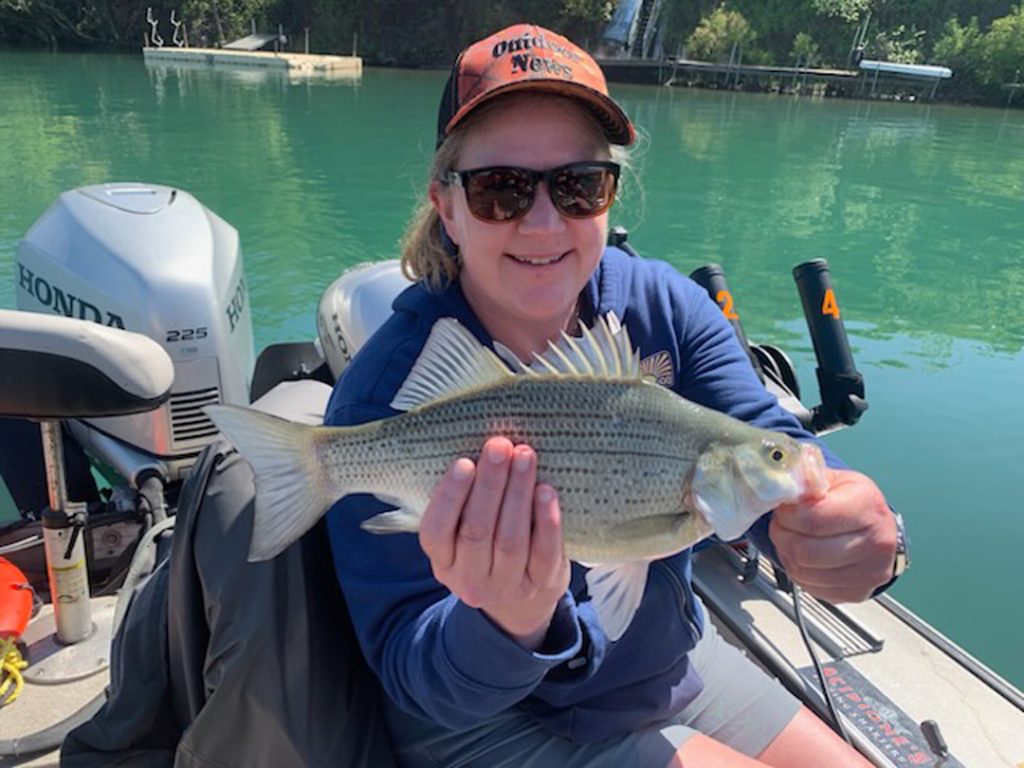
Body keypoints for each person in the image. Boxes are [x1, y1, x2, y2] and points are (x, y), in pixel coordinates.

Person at [324, 23, 903, 768]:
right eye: (501, 189)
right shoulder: (383, 399)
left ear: (610, 193)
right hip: (486, 718)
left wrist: (856, 533)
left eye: (578, 185)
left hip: (660, 674)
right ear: (447, 204)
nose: (542, 221)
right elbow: (415, 675)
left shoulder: (666, 310)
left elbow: (762, 447)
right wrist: (511, 623)